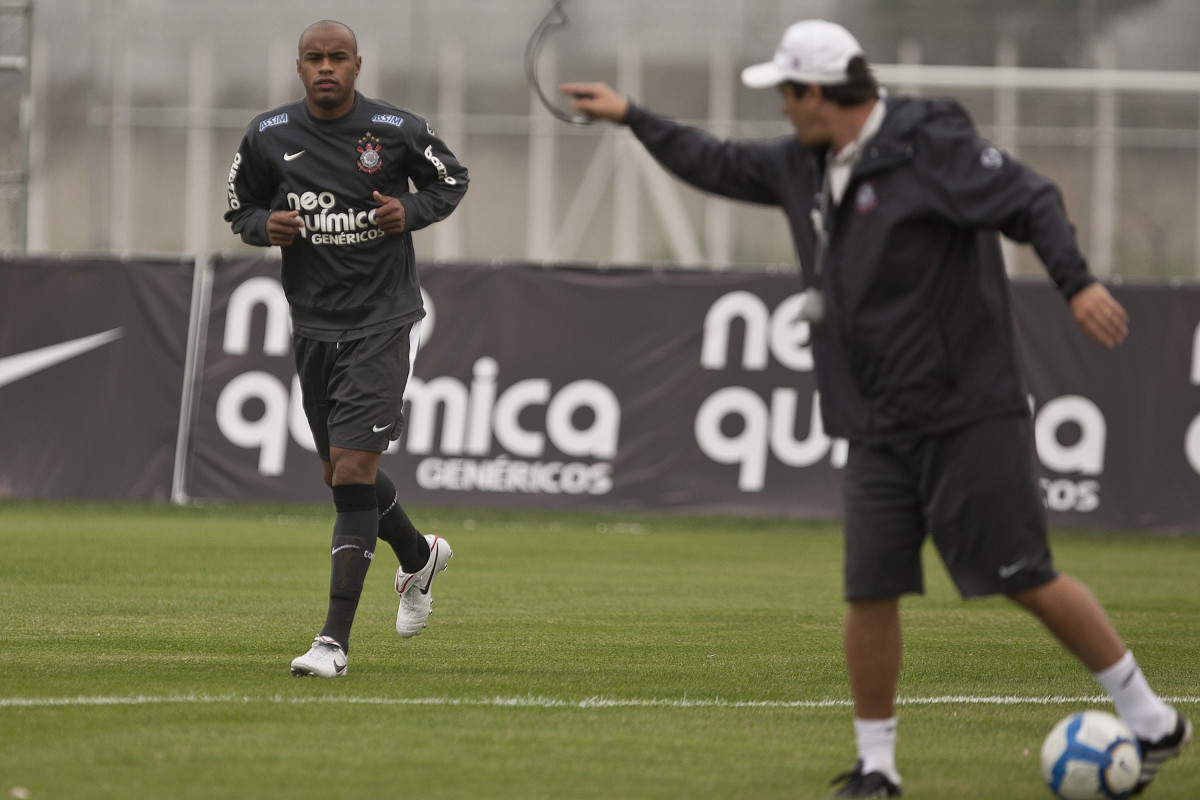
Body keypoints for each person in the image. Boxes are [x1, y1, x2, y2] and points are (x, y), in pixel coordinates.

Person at [562, 19, 1191, 798]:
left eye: (787, 95)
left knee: (1024, 574)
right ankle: (877, 768)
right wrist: (632, 116)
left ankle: (1151, 716)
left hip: (965, 407)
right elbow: (717, 163)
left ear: (817, 93)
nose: (782, 111)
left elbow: (1032, 199)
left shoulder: (931, 147)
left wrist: (1077, 281)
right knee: (869, 588)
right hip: (871, 417)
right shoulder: (804, 163)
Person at [224, 19, 468, 678]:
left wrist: (411, 212)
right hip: (312, 326)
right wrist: (263, 227)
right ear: (298, 67)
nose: (326, 67)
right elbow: (238, 208)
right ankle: (419, 559)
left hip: (382, 319)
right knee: (339, 474)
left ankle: (332, 643)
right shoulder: (267, 136)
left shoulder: (397, 130)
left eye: (338, 57)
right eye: (314, 58)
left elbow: (452, 180)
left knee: (355, 474)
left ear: (358, 65)